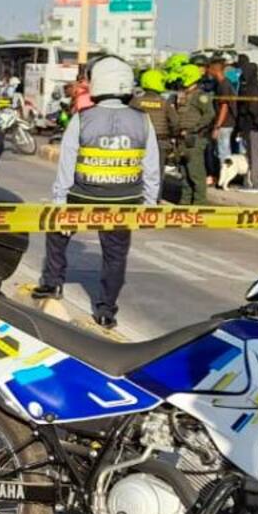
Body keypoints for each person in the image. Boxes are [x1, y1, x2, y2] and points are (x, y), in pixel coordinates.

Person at [32, 56, 160, 329]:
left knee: (56, 234)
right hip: (125, 200)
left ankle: (53, 284)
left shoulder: (83, 118)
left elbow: (66, 166)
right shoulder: (143, 121)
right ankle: (106, 311)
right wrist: (148, 205)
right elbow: (151, 168)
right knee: (115, 255)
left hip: (83, 195)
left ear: (98, 84)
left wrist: (60, 204)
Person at [166, 64, 214, 204]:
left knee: (196, 174)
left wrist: (193, 128)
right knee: (184, 174)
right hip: (182, 140)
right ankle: (185, 202)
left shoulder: (201, 96)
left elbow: (209, 115)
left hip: (194, 139)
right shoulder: (182, 95)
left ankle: (200, 203)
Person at [234, 61, 258, 192]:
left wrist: (246, 113)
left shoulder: (255, 87)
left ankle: (256, 183)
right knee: (248, 154)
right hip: (246, 126)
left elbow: (256, 108)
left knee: (254, 155)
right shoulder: (246, 86)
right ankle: (248, 182)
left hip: (254, 125)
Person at [207, 57, 237, 183]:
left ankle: (225, 179)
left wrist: (217, 126)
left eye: (209, 69)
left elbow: (224, 106)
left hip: (224, 124)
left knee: (223, 153)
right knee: (221, 151)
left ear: (215, 70)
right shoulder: (222, 84)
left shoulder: (224, 85)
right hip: (224, 123)